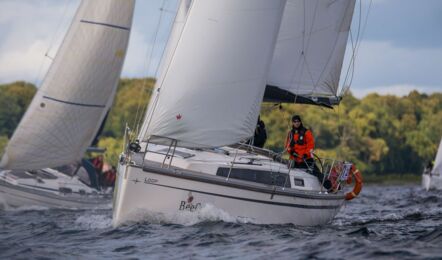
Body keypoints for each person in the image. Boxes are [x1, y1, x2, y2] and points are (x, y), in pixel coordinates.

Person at [285, 115, 332, 190]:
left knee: (318, 174)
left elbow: (311, 145)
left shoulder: (306, 132)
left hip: (306, 159)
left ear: (300, 122)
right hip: (295, 159)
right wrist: (291, 151)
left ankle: (330, 188)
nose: (296, 123)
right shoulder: (290, 134)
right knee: (288, 172)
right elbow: (287, 146)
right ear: (292, 123)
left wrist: (305, 154)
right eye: (295, 121)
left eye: (298, 121)